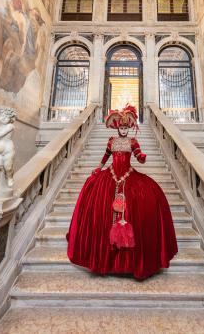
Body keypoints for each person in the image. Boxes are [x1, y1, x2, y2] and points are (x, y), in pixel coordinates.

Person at [66, 105, 178, 280]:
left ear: (129, 128)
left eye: (126, 128)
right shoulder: (111, 141)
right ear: (117, 127)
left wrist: (142, 157)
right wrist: (98, 168)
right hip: (110, 176)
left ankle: (132, 262)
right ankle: (106, 259)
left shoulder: (133, 142)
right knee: (98, 207)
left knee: (149, 198)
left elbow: (139, 156)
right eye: (122, 128)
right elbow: (105, 156)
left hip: (128, 177)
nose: (124, 130)